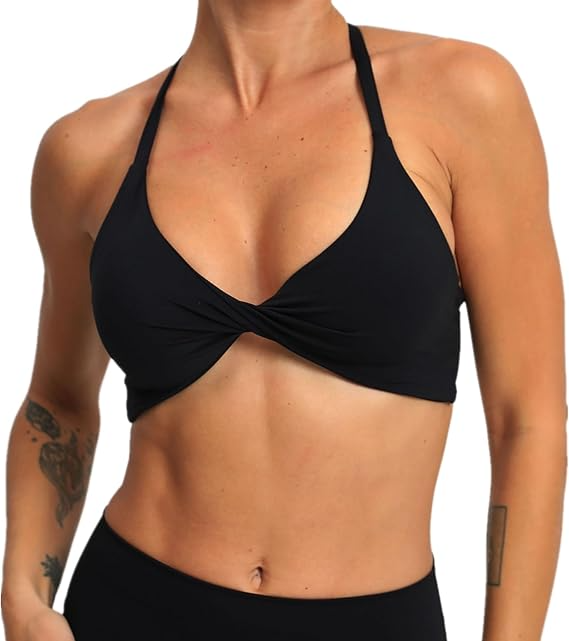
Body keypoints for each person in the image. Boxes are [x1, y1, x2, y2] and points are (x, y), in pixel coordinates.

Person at [2, 1, 566, 640]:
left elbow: (528, 420)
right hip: (127, 607)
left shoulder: (462, 94)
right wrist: (23, 597)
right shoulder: (87, 149)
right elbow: (60, 400)